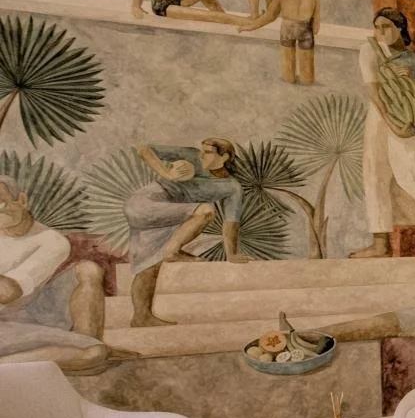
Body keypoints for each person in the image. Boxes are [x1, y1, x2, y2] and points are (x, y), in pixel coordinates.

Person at [352, 10, 415, 258]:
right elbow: (374, 91)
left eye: (386, 27)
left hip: (407, 117)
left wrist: (412, 81)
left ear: (400, 28)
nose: (380, 32)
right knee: (374, 177)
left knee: (410, 178)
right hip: (380, 117)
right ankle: (380, 244)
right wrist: (390, 122)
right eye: (377, 27)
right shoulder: (370, 51)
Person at [123, 139, 248, 328]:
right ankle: (172, 251)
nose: (201, 155)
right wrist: (167, 174)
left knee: (149, 267)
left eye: (208, 152)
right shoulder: (191, 155)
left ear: (224, 157)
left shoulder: (232, 187)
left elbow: (231, 222)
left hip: (169, 213)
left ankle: (141, 317)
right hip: (146, 203)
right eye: (202, 150)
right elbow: (143, 149)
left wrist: (231, 254)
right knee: (206, 210)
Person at [0, 177, 111, 375]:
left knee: (88, 270)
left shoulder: (51, 241)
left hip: (26, 316)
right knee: (93, 354)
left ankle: (84, 341)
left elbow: (10, 292)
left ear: (22, 201)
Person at [236, 0, 321, 84]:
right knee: (307, 79)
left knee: (288, 77)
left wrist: (250, 27)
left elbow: (270, 16)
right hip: (305, 30)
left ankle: (290, 83)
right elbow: (316, 28)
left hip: (287, 28)